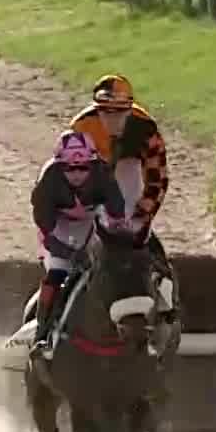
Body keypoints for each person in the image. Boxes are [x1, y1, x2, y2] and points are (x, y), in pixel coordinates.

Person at [69, 73, 175, 322]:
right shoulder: (81, 129)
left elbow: (157, 181)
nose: (112, 119)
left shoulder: (146, 129)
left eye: (119, 113)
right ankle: (47, 328)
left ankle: (164, 294)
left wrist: (140, 217)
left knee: (128, 171)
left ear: (130, 111)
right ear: (97, 110)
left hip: (130, 185)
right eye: (106, 112)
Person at [28, 130, 128, 356]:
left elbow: (117, 212)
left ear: (92, 165)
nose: (76, 174)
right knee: (57, 272)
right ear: (58, 167)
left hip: (92, 221)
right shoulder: (47, 182)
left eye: (83, 168)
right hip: (58, 227)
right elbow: (47, 233)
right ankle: (42, 334)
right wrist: (72, 255)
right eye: (69, 169)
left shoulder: (103, 173)